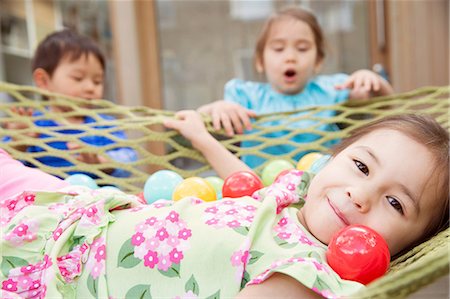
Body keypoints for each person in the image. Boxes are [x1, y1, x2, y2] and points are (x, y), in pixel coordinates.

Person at [1, 113, 447, 298]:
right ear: (334, 159)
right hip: (85, 210)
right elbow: (245, 181)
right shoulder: (297, 192)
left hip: (63, 272)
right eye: (361, 167)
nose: (360, 194)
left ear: (410, 243)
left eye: (395, 202)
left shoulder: (307, 274)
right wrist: (200, 136)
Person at [198, 7, 394, 168]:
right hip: (261, 190)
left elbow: (387, 106)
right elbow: (197, 120)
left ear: (318, 61)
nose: (290, 57)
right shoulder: (246, 95)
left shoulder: (328, 89)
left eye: (302, 48)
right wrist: (217, 107)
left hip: (318, 187)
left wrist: (372, 80)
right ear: (260, 61)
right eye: (278, 49)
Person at [2, 29, 138, 178]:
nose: (90, 88)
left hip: (99, 198)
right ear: (44, 81)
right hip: (49, 198)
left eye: (97, 81)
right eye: (78, 78)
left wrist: (103, 161)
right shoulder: (33, 126)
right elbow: (7, 166)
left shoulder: (105, 125)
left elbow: (130, 158)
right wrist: (19, 144)